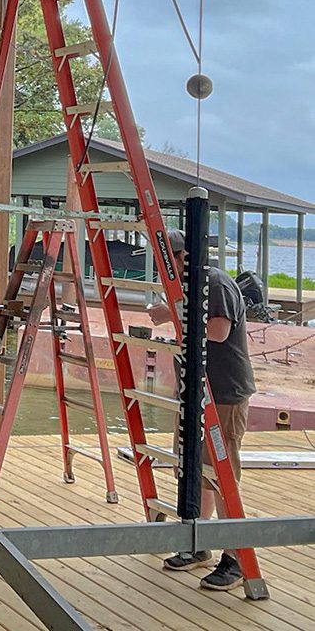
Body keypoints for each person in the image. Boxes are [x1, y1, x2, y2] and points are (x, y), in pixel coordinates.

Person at [152, 229, 256, 591]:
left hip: (224, 393)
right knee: (197, 470)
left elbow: (218, 330)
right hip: (196, 392)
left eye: (165, 259)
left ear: (182, 257)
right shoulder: (188, 288)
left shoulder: (216, 283)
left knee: (223, 473)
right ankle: (200, 544)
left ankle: (235, 558)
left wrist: (173, 312)